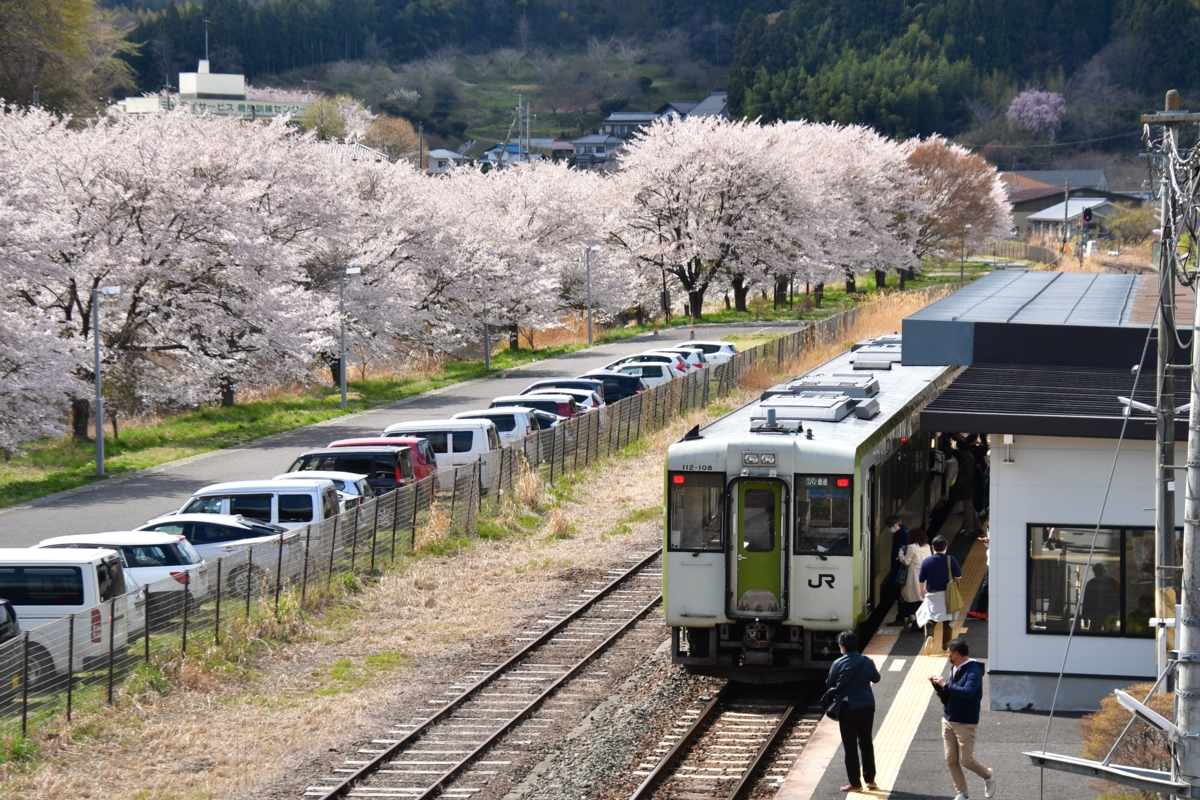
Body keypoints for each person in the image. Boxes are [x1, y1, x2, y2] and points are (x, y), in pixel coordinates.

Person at [930, 638, 996, 800]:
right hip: (948, 720)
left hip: (965, 723)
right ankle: (962, 793)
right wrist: (937, 685)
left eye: (948, 653)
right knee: (951, 760)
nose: (947, 656)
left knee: (966, 760)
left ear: (957, 654)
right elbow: (949, 694)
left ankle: (988, 776)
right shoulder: (955, 667)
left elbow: (967, 693)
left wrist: (945, 684)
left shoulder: (973, 671)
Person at [825, 630, 882, 792]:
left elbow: (830, 684)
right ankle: (870, 780)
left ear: (842, 647)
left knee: (850, 746)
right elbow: (876, 679)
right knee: (866, 743)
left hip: (848, 708)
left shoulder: (838, 663)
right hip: (867, 707)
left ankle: (855, 783)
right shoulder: (867, 662)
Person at [919, 535, 963, 651]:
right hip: (947, 594)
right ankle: (946, 646)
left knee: (930, 618)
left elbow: (921, 579)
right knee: (948, 621)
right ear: (946, 548)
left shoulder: (927, 561)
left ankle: (929, 636)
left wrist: (922, 590)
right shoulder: (950, 559)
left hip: (932, 594)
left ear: (932, 547)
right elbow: (959, 576)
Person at [899, 527, 932, 630]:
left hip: (913, 575)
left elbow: (906, 561)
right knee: (921, 598)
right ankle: (920, 621)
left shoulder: (912, 547)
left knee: (908, 598)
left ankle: (914, 621)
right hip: (924, 575)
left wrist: (900, 553)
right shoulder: (927, 546)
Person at [951, 447, 981, 536]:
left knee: (967, 508)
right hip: (969, 488)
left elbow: (969, 475)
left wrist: (960, 482)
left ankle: (969, 529)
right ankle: (978, 527)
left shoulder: (966, 459)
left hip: (967, 489)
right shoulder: (968, 455)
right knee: (970, 507)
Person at [886, 514, 910, 625]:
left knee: (901, 592)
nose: (890, 528)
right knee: (900, 592)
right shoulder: (900, 533)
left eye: (891, 526)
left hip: (901, 568)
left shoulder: (904, 534)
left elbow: (906, 552)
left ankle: (902, 617)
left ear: (897, 524)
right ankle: (905, 615)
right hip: (899, 567)